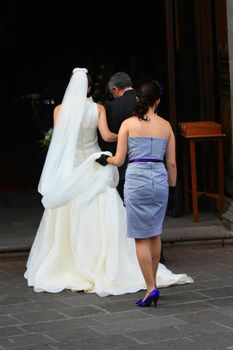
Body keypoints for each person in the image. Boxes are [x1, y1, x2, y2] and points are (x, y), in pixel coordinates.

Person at [24, 68, 193, 298]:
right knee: (129, 223)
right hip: (95, 166)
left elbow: (62, 138)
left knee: (68, 214)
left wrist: (127, 133)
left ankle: (71, 260)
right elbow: (106, 136)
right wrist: (122, 136)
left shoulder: (59, 110)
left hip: (72, 168)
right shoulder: (98, 109)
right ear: (91, 89)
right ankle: (142, 277)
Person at [96, 79, 183, 306]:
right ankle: (152, 283)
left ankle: (151, 287)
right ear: (158, 100)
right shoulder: (166, 126)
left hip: (136, 179)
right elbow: (172, 162)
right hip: (160, 179)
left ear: (138, 99)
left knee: (140, 236)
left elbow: (119, 159)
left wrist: (105, 159)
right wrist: (172, 185)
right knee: (155, 232)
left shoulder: (128, 124)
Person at [101, 72, 136, 200]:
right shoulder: (144, 99)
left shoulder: (114, 106)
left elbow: (110, 134)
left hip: (121, 161)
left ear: (115, 89)